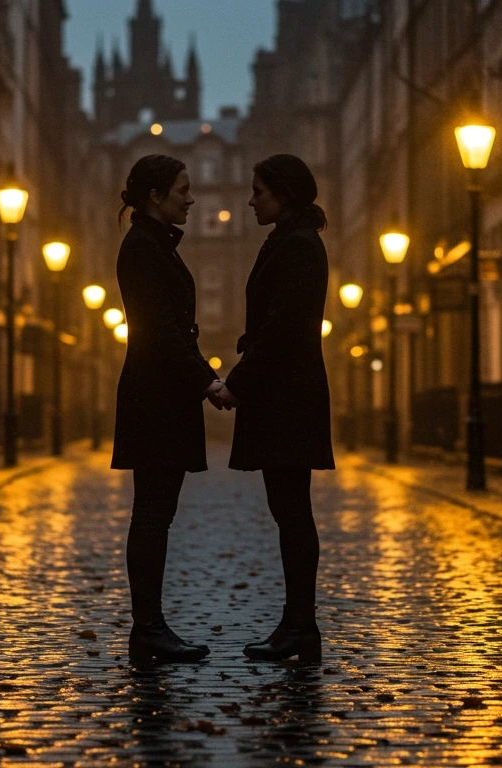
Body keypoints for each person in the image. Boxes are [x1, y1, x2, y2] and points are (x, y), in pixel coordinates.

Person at [214, 154, 335, 663]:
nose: (250, 200)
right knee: (289, 513)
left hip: (288, 396)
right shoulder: (290, 241)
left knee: (292, 514)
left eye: (258, 191)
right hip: (285, 392)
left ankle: (300, 627)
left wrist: (237, 382)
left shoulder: (299, 247)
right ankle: (296, 623)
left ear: (282, 194)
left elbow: (284, 326)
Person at [111, 154, 228, 664]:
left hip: (160, 394)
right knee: (153, 515)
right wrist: (208, 381)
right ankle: (148, 629)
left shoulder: (154, 245)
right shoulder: (143, 249)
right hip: (155, 396)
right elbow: (160, 330)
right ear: (156, 197)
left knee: (157, 514)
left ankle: (150, 627)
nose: (191, 198)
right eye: (183, 190)